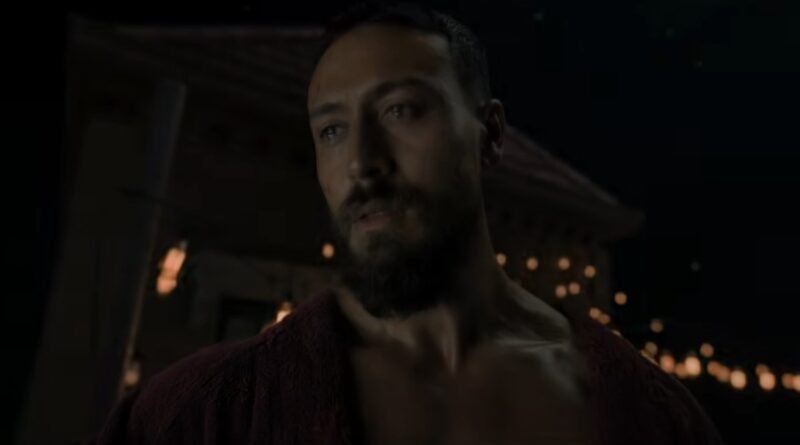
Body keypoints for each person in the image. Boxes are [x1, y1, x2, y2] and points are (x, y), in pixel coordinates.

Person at [87, 3, 724, 444]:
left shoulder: (651, 416)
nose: (362, 162)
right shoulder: (197, 415)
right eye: (331, 130)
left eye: (401, 111)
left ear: (489, 133)